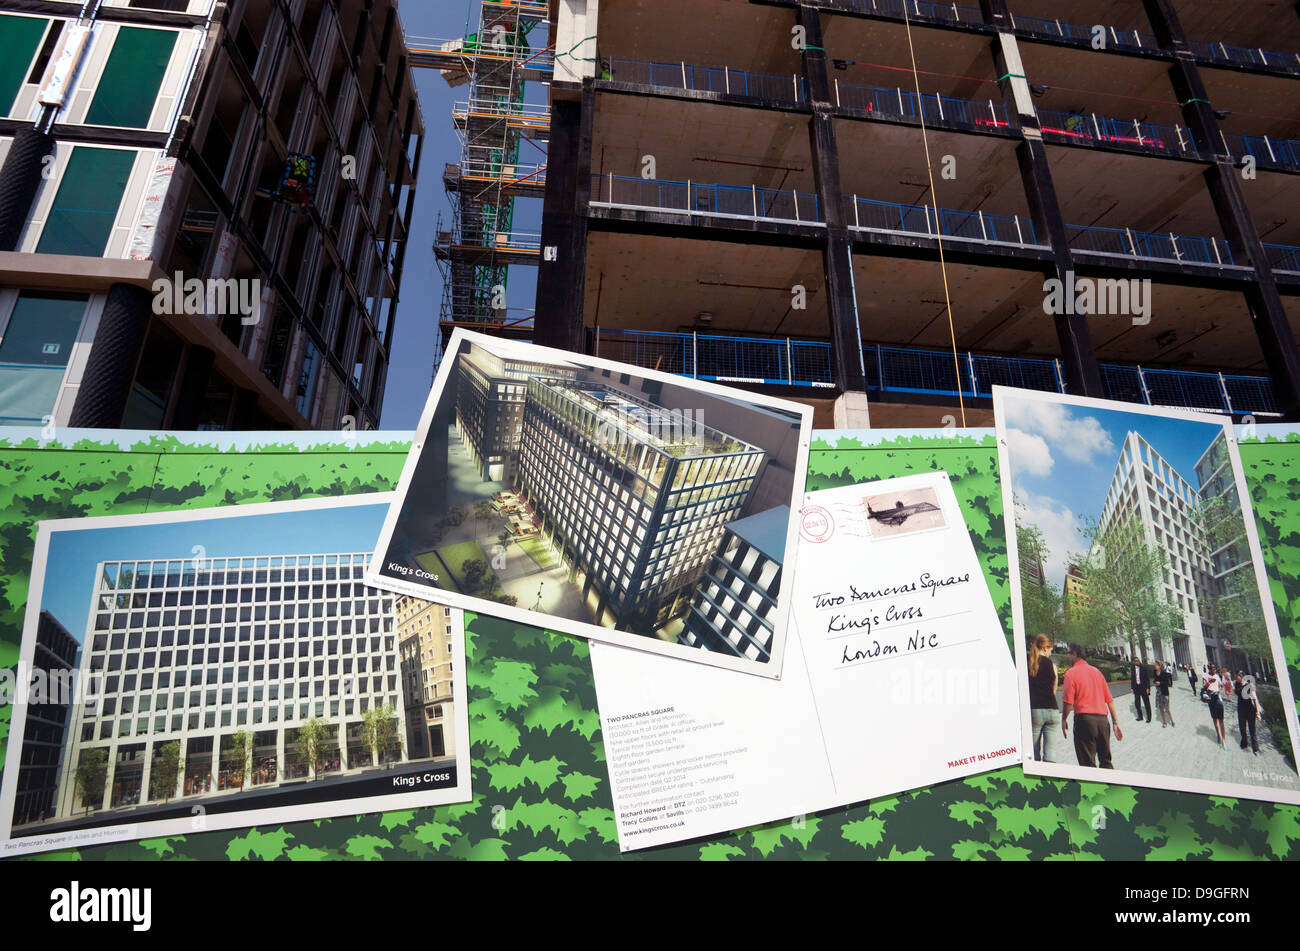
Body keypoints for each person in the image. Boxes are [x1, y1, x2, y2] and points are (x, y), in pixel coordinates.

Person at [1061, 643, 1124, 768]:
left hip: (1085, 721)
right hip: (1103, 722)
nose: (1067, 657)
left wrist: (1063, 719)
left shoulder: (1071, 673)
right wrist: (1115, 722)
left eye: (1068, 653)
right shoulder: (1097, 672)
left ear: (1074, 654)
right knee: (1106, 762)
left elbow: (1068, 702)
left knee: (1088, 765)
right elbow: (1109, 700)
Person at [1027, 634, 1059, 762]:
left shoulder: (1029, 663)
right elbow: (1053, 690)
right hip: (1052, 710)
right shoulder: (1052, 665)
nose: (1051, 653)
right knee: (1050, 755)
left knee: (1033, 753)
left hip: (1035, 711)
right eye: (1051, 650)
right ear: (1045, 648)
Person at [1235, 670, 1261, 755]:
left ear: (1241, 676)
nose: (1236, 677)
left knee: (1252, 730)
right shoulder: (1237, 684)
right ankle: (1244, 743)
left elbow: (1254, 698)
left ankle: (1256, 749)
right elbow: (1236, 693)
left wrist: (1257, 713)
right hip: (1241, 710)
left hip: (1250, 710)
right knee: (1242, 728)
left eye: (1237, 676)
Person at [1203, 668, 1227, 748]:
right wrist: (1210, 682)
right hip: (1210, 698)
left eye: (1214, 669)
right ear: (1209, 669)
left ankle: (1223, 740)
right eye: (1212, 669)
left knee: (1221, 719)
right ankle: (1218, 735)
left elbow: (1220, 685)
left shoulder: (1217, 676)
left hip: (1218, 697)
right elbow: (1204, 687)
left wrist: (1220, 686)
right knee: (1214, 719)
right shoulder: (1205, 676)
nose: (1214, 671)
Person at [1153, 661, 1175, 728]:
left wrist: (1160, 683)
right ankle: (1164, 722)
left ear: (1160, 666)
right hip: (1158, 692)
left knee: (1167, 708)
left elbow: (1167, 682)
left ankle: (1172, 720)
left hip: (1164, 692)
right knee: (1161, 708)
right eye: (1155, 665)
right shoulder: (1155, 672)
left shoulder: (1164, 673)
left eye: (1156, 665)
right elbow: (1154, 680)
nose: (1155, 666)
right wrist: (1155, 683)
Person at [1131, 656, 1152, 723]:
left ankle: (1149, 717)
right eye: (1136, 661)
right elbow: (1132, 679)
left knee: (1146, 703)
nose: (1137, 662)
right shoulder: (1132, 669)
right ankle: (1140, 716)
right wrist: (1132, 688)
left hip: (1143, 687)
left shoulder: (1143, 668)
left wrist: (1148, 688)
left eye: (1138, 660)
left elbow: (1147, 679)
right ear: (1133, 662)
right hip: (1136, 688)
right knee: (1137, 703)